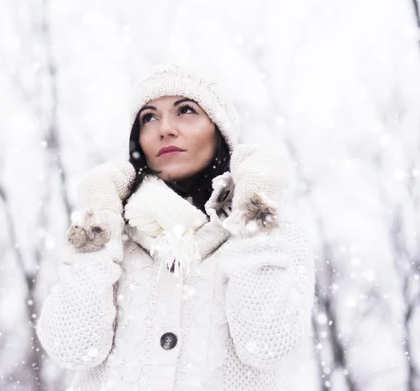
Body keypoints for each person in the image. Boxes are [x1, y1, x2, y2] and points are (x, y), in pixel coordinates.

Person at [36, 63, 315, 390]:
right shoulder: (110, 231)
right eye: (149, 117)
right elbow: (72, 349)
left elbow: (267, 344)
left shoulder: (273, 227)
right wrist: (99, 233)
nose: (164, 128)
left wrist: (251, 220)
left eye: (186, 110)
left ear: (219, 130)